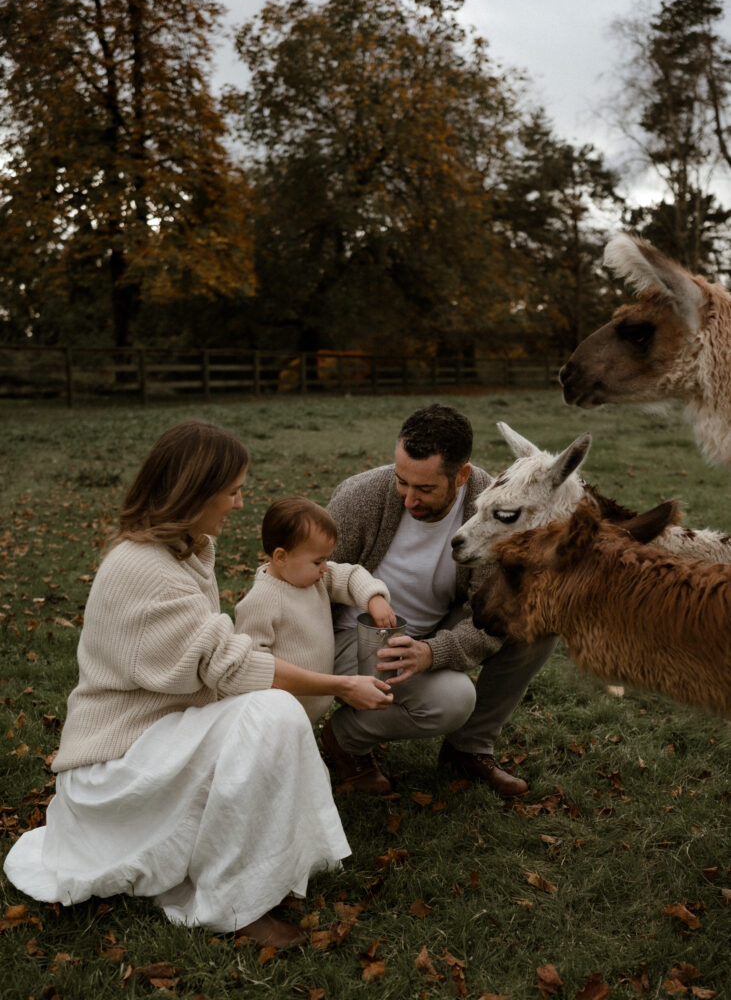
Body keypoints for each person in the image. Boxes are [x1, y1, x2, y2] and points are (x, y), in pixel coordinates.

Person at [3, 420, 393, 950]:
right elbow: (231, 666)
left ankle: (259, 858)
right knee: (273, 712)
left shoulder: (185, 549)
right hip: (117, 762)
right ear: (196, 492)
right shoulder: (144, 568)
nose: (239, 504)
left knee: (267, 714)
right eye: (232, 491)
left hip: (162, 736)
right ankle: (234, 903)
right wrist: (341, 685)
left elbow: (218, 664)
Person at [321, 403, 556, 798]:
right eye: (402, 482)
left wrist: (433, 652)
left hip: (432, 630)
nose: (409, 498)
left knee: (535, 623)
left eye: (425, 489)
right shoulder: (361, 497)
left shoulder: (491, 508)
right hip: (355, 634)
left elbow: (496, 614)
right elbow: (307, 577)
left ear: (461, 475)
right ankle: (344, 739)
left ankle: (469, 748)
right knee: (452, 700)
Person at [235, 496, 397, 723]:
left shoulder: (315, 579)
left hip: (312, 705)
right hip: (276, 716)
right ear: (281, 557)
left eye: (326, 560)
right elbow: (251, 664)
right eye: (317, 562)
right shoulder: (261, 601)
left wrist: (374, 598)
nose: (325, 569)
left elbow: (350, 576)